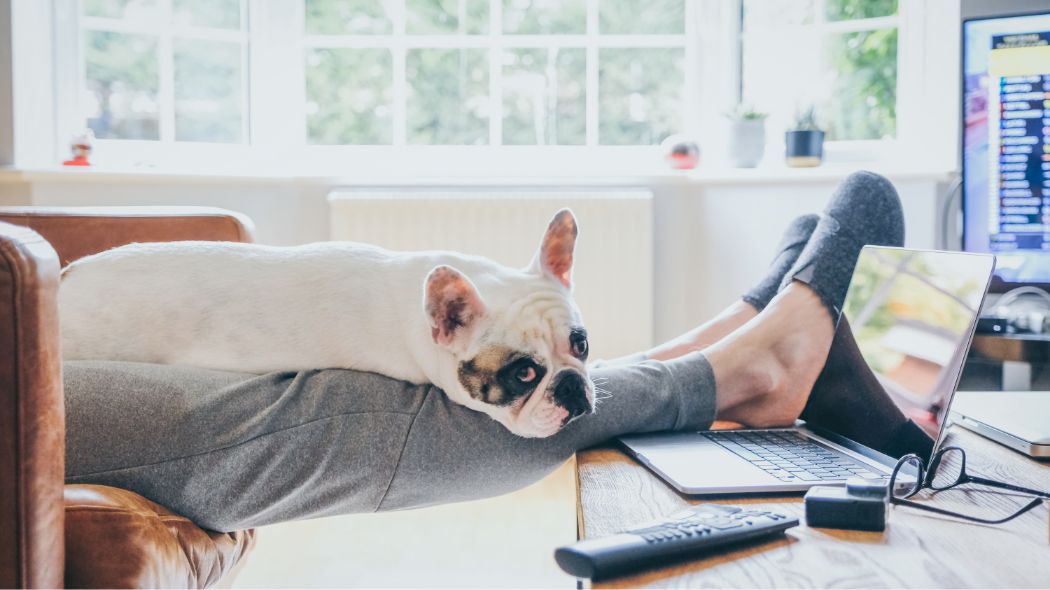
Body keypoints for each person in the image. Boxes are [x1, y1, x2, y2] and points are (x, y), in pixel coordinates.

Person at [64, 171, 920, 533]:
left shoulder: (491, 306)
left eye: (575, 347)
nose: (559, 368)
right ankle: (743, 368)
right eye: (525, 370)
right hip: (43, 358)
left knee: (499, 391)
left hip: (45, 329)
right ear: (441, 318)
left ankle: (704, 356)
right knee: (344, 415)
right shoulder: (427, 312)